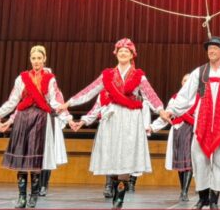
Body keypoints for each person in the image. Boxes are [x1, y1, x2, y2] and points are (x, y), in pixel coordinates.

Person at [159, 37, 220, 210]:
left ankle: (214, 200)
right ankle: (203, 197)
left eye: (215, 48)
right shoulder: (199, 72)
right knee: (199, 159)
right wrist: (172, 110)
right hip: (203, 121)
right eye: (209, 48)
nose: (211, 51)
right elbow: (185, 95)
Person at [65, 39, 163, 209]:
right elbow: (90, 91)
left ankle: (119, 201)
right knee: (113, 156)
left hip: (130, 118)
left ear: (132, 55)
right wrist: (69, 104)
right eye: (120, 51)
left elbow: (150, 95)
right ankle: (115, 196)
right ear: (116, 54)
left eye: (126, 51)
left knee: (126, 157)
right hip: (112, 118)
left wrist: (161, 110)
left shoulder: (138, 75)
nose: (123, 53)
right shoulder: (108, 75)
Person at [0, 46, 70, 209]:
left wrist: (67, 116)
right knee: (21, 157)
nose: (36, 61)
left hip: (40, 118)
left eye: (39, 58)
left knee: (35, 158)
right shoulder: (22, 78)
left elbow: (54, 100)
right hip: (23, 118)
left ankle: (33, 196)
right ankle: (21, 196)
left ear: (44, 59)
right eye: (33, 58)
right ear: (30, 59)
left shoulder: (50, 79)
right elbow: (12, 101)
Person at [150, 73, 197, 204]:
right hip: (177, 130)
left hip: (192, 130)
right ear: (182, 83)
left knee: (189, 161)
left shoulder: (198, 98)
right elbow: (166, 115)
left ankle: (185, 192)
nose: (186, 83)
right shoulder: (175, 99)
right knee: (180, 162)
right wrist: (152, 127)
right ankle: (183, 189)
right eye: (184, 80)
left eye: (189, 80)